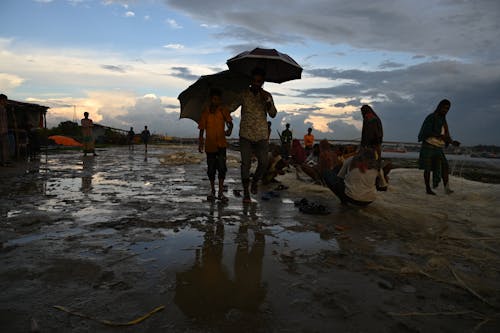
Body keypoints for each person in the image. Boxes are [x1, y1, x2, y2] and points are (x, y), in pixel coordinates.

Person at [228, 67, 277, 203]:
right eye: (254, 81)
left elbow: (273, 114)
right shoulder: (243, 94)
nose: (256, 83)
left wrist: (267, 101)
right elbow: (230, 108)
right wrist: (227, 120)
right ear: (251, 81)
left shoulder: (267, 96)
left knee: (264, 162)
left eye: (259, 81)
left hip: (261, 135)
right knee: (245, 164)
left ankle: (255, 181)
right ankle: (246, 193)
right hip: (246, 135)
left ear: (262, 82)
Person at [418, 99, 460, 195]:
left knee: (445, 165)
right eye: (444, 108)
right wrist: (441, 136)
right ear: (439, 107)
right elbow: (426, 131)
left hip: (438, 147)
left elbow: (445, 135)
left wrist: (453, 142)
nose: (446, 110)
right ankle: (428, 189)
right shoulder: (431, 117)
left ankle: (446, 188)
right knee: (427, 168)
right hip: (428, 145)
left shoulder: (443, 120)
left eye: (448, 109)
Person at [198, 88, 233, 202]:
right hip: (210, 145)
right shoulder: (205, 112)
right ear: (210, 99)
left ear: (220, 100)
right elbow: (202, 129)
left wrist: (229, 130)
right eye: (214, 99)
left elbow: (230, 123)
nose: (216, 101)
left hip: (222, 144)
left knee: (222, 168)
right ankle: (213, 190)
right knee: (211, 169)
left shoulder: (223, 110)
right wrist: (200, 143)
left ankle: (221, 192)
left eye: (218, 99)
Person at [0, 94, 11, 166]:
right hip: (1, 131)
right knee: (3, 147)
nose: (6, 102)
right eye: (5, 100)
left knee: (5, 147)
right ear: (1, 100)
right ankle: (3, 162)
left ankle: (5, 161)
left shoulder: (3, 108)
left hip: (4, 130)